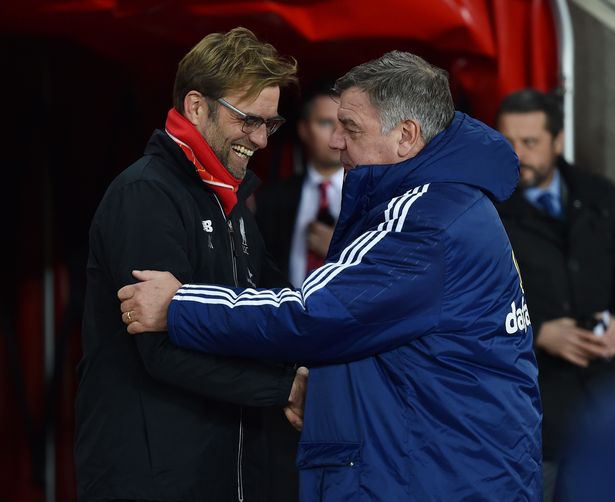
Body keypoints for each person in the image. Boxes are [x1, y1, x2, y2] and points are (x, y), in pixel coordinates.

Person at [118, 51, 543, 500]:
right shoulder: (447, 201)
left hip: (433, 476)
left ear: (406, 136)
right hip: (441, 466)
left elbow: (312, 314)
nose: (334, 141)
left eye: (350, 127)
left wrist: (180, 305)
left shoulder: (425, 220)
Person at [74, 27, 306, 502]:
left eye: (271, 124)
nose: (261, 139)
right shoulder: (145, 194)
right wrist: (285, 387)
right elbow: (161, 350)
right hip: (151, 478)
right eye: (249, 120)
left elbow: (276, 303)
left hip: (218, 470)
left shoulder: (231, 202)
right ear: (197, 106)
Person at [495, 88, 615, 501]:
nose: (517, 154)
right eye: (507, 141)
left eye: (530, 142)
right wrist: (540, 331)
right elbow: (463, 305)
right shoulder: (485, 208)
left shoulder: (602, 196)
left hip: (605, 404)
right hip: (532, 417)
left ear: (558, 141)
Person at [255, 83, 344, 287]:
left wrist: (339, 248)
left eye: (344, 123)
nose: (337, 133)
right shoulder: (271, 198)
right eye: (325, 123)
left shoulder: (372, 196)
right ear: (304, 130)